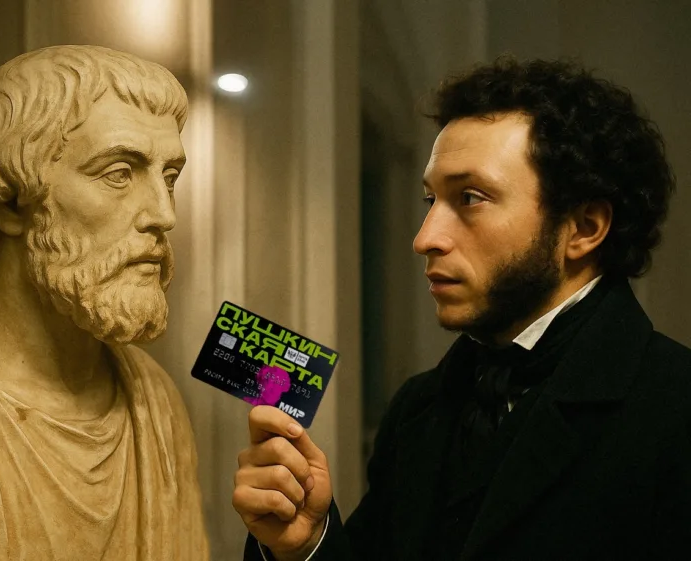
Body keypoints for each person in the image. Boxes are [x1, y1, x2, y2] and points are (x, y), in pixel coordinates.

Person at [233, 56, 691, 560]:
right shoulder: (416, 408)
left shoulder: (676, 408)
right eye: (431, 200)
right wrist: (306, 545)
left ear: (583, 228)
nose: (425, 238)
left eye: (471, 198)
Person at [0, 45, 209, 560]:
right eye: (119, 173)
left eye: (169, 178)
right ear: (11, 203)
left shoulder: (155, 401)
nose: (164, 215)